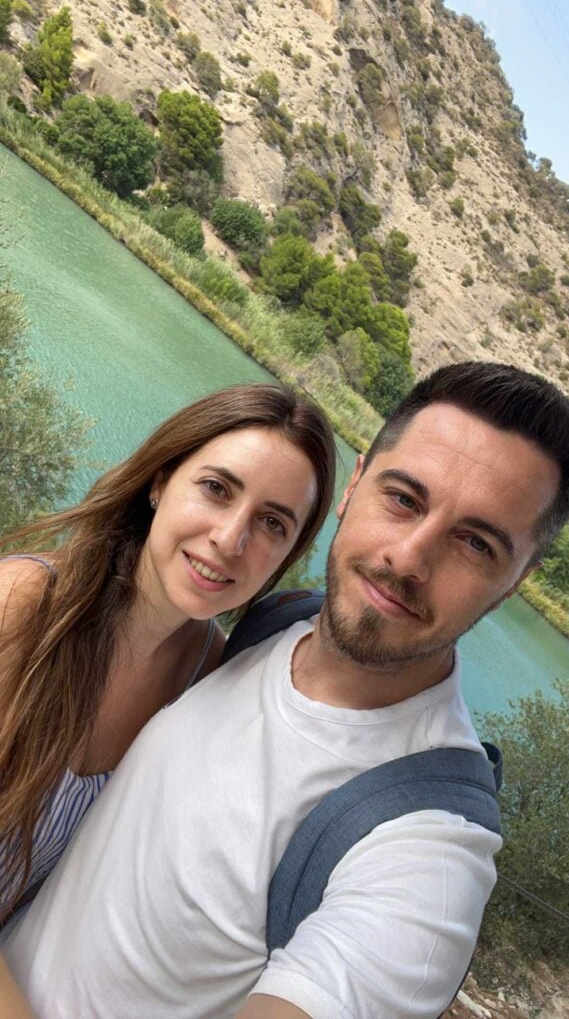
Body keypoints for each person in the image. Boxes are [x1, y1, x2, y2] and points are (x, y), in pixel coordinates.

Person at [5, 363, 569, 1019]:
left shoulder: (427, 848)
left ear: (518, 579)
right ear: (355, 483)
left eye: (474, 543)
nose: (409, 558)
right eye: (403, 499)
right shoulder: (260, 631)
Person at [0, 383, 336, 929]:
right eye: (216, 488)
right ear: (161, 481)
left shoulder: (207, 678)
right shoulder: (24, 607)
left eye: (272, 523)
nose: (230, 539)